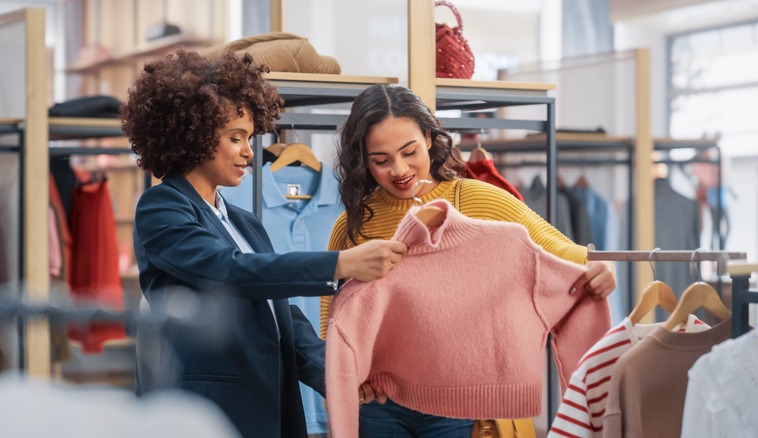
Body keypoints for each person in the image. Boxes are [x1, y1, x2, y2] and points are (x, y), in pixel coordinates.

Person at [120, 50, 406, 438]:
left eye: (250, 138)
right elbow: (229, 271)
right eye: (235, 138)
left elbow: (282, 314)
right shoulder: (161, 206)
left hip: (270, 406)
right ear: (195, 136)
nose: (249, 152)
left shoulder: (244, 222)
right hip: (207, 412)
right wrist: (338, 264)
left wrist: (338, 374)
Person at [320, 84, 617, 437]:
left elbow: (565, 254)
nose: (399, 169)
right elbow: (333, 312)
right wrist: (348, 380)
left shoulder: (478, 199)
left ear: (429, 139)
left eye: (409, 151)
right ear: (363, 160)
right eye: (381, 161)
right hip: (378, 406)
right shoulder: (354, 222)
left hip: (457, 405)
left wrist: (602, 266)